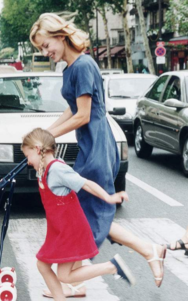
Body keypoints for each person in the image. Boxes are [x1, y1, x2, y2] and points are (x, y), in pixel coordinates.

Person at [29, 13, 166, 297]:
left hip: (99, 145)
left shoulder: (84, 65)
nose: (46, 52)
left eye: (46, 45)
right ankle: (77, 281)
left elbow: (84, 115)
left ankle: (149, 250)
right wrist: (44, 132)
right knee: (84, 212)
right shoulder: (69, 69)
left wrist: (49, 138)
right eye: (41, 49)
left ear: (59, 36)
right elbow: (71, 108)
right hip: (90, 144)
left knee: (87, 213)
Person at [21, 128, 135, 300]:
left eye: (28, 156)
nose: (28, 161)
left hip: (69, 230)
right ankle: (109, 267)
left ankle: (111, 266)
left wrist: (109, 198)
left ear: (38, 150)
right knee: (44, 266)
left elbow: (87, 184)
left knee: (63, 275)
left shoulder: (57, 169)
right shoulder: (45, 169)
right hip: (59, 229)